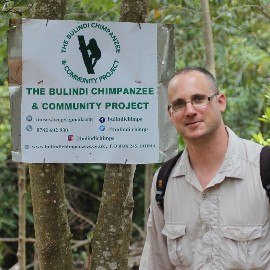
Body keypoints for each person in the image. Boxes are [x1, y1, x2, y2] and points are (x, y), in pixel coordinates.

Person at [139, 67, 270, 269]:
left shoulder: (263, 168)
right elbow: (156, 263)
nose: (190, 111)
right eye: (179, 104)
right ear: (170, 113)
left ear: (220, 102)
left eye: (199, 99)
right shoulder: (164, 182)